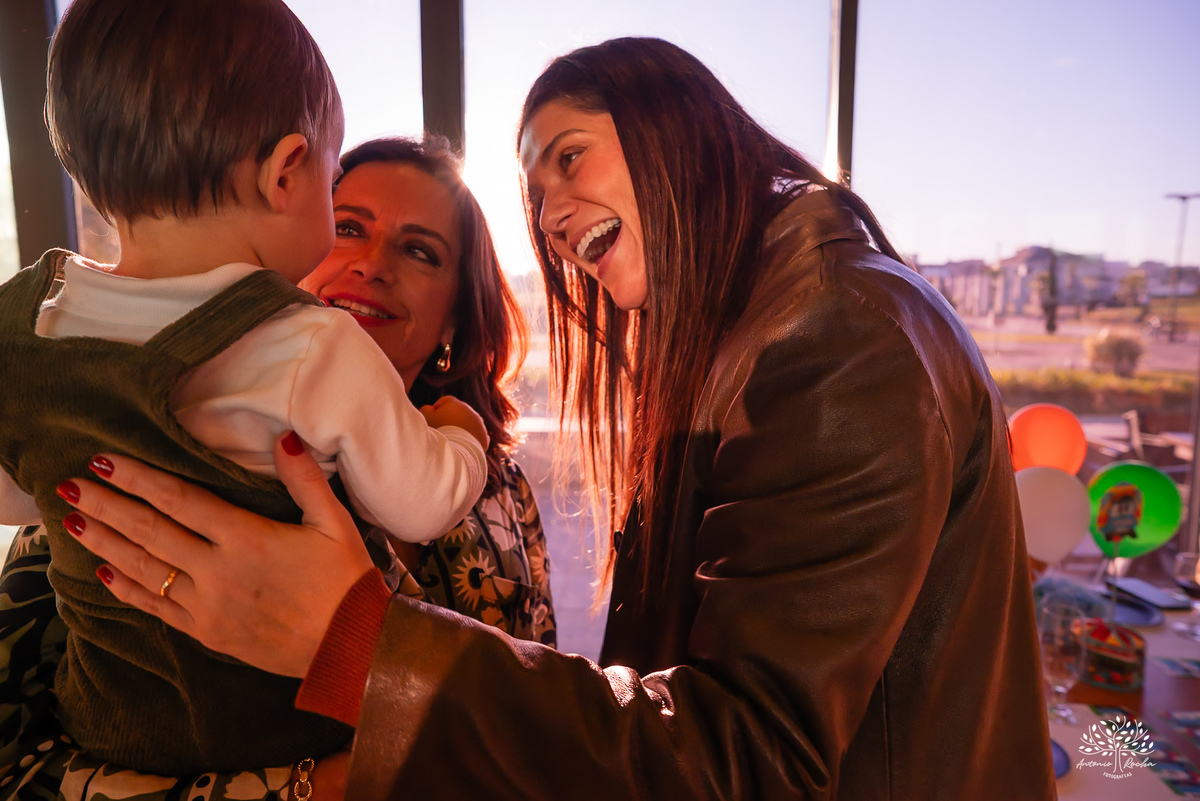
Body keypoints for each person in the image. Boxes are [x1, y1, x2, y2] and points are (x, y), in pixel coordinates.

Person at [55, 37, 1055, 800]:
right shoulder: (137, 426)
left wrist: (354, 643)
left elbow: (738, 749)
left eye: (568, 159)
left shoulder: (834, 337)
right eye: (346, 225)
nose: (555, 212)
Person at [0, 0, 491, 776]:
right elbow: (424, 503)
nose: (367, 261)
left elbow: (13, 491)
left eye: (420, 250)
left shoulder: (22, 322)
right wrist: (462, 435)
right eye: (338, 196)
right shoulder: (308, 344)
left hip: (107, 740)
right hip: (283, 742)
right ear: (286, 172)